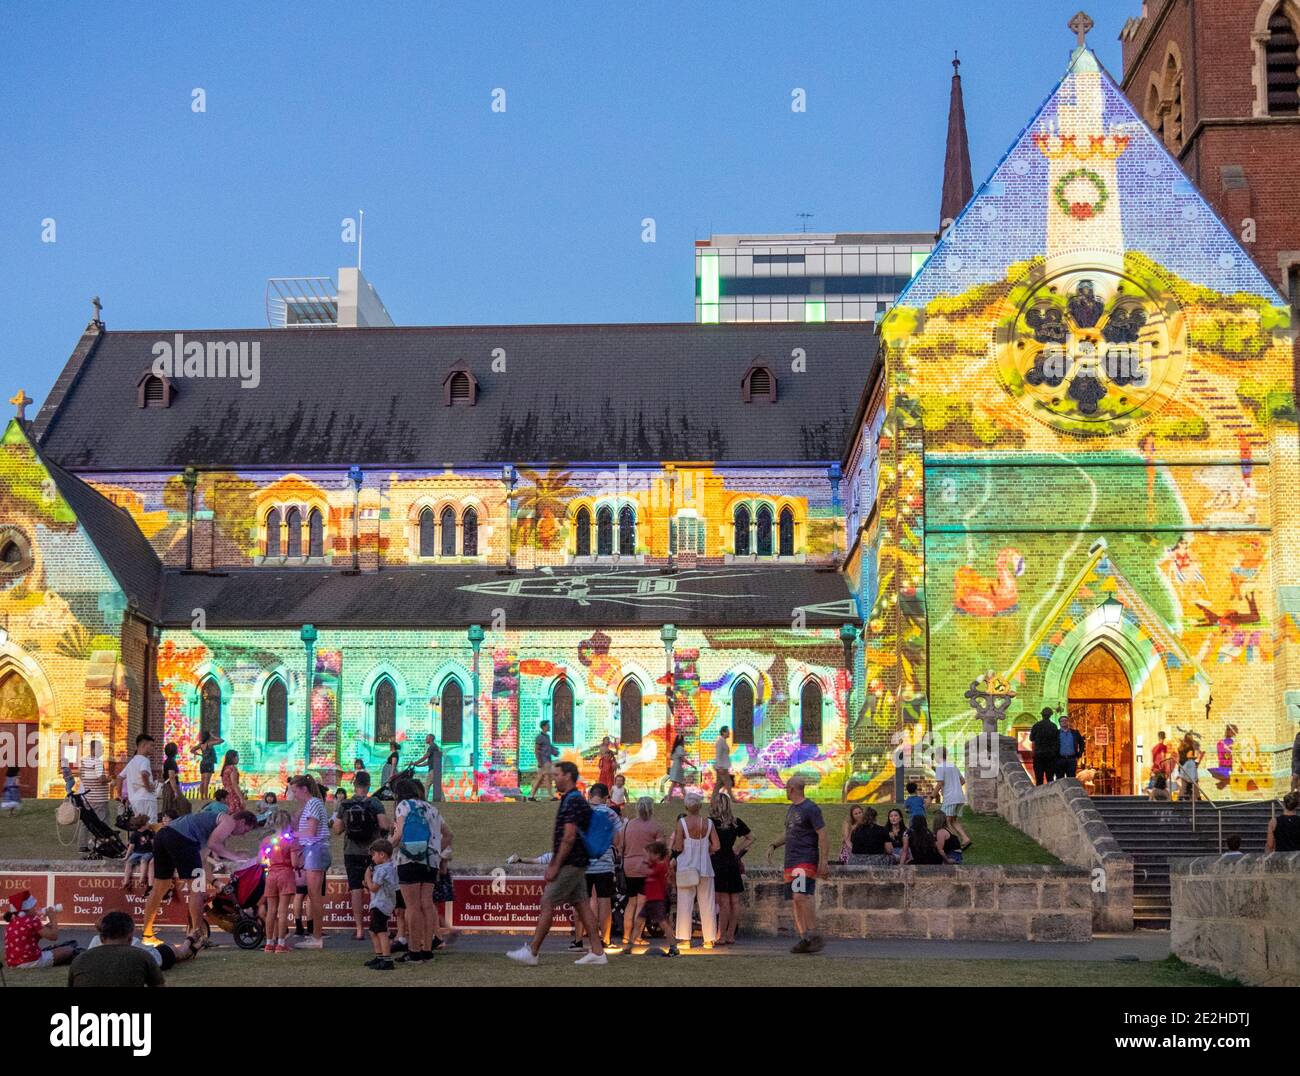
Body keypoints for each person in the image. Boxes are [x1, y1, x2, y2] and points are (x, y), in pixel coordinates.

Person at [507, 760, 608, 966]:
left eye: (557, 775)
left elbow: (569, 836)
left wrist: (555, 864)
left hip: (570, 862)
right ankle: (598, 952)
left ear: (568, 776)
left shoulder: (572, 800)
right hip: (579, 861)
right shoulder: (575, 799)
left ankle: (533, 951)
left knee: (547, 902)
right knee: (582, 905)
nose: (554, 779)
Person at [141, 808, 258, 944]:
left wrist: (214, 882)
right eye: (246, 830)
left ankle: (147, 935)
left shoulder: (205, 829)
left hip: (163, 835)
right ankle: (196, 936)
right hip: (181, 839)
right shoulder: (229, 820)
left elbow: (201, 861)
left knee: (160, 887)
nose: (243, 835)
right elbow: (214, 844)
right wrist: (237, 858)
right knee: (197, 890)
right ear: (242, 821)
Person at [390, 777, 452, 963]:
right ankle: (427, 949)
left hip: (408, 857)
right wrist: (436, 850)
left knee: (413, 907)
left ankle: (414, 950)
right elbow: (449, 834)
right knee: (426, 904)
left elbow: (399, 834)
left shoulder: (403, 805)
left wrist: (384, 848)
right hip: (430, 860)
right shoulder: (431, 808)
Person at [765, 775, 827, 954]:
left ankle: (814, 934)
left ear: (792, 789)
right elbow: (790, 832)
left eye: (786, 788)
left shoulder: (811, 808)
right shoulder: (792, 809)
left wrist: (823, 861)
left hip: (805, 858)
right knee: (795, 899)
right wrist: (774, 844)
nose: (785, 790)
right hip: (791, 860)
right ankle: (804, 938)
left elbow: (823, 834)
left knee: (800, 896)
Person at [332, 770, 391, 941]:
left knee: (355, 889)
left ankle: (359, 929)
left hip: (351, 851)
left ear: (354, 784)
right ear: (368, 785)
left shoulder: (346, 803)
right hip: (372, 853)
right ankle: (377, 925)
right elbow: (384, 825)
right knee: (376, 887)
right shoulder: (375, 803)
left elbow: (337, 829)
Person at [76, 912, 201, 986]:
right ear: (129, 938)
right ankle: (194, 941)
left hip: (158, 954)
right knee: (179, 951)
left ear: (102, 937)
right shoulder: (140, 955)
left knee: (180, 952)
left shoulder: (82, 959)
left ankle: (191, 940)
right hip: (153, 955)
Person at [574, 782, 619, 952]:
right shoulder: (610, 814)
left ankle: (578, 939)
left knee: (581, 902)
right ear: (607, 797)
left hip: (584, 864)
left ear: (589, 794)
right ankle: (605, 939)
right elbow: (618, 840)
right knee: (604, 901)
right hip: (604, 863)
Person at [671, 791, 719, 950]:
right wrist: (707, 848)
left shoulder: (682, 823)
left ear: (686, 806)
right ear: (700, 806)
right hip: (705, 866)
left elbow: (678, 846)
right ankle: (709, 939)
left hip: (687, 867)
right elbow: (717, 846)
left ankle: (685, 939)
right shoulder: (709, 823)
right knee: (708, 903)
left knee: (685, 903)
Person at [289, 775, 331, 949]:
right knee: (313, 895)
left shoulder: (313, 803)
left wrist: (292, 835)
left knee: (314, 896)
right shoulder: (311, 804)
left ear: (304, 789)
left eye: (294, 791)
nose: (294, 795)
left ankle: (317, 937)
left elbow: (311, 832)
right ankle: (315, 935)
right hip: (313, 850)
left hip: (316, 849)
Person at [619, 796, 665, 949]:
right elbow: (661, 849)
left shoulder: (627, 825)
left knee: (630, 902)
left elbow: (620, 846)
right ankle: (637, 936)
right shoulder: (655, 827)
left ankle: (626, 936)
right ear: (651, 809)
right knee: (642, 902)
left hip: (629, 865)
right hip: (645, 867)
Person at [709, 791, 751, 944]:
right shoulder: (735, 821)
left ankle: (721, 934)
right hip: (732, 861)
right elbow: (751, 837)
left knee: (723, 902)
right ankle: (731, 934)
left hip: (718, 862)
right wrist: (737, 849)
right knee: (735, 901)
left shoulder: (710, 822)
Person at [3, 890, 78, 970]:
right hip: (29, 961)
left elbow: (29, 935)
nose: (35, 909)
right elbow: (54, 936)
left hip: (12, 963)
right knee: (68, 950)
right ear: (26, 910)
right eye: (33, 907)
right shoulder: (33, 920)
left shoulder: (13, 921)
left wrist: (45, 927)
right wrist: (53, 918)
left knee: (54, 949)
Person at [260, 809, 299, 953]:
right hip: (286, 875)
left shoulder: (266, 841)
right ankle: (281, 943)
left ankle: (269, 943)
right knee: (283, 912)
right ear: (288, 823)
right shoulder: (291, 841)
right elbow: (295, 863)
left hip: (271, 875)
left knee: (271, 911)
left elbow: (262, 860)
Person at [630, 841, 677, 956]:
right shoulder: (652, 864)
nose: (647, 856)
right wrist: (644, 860)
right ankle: (630, 946)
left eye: (649, 854)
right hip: (649, 900)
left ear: (656, 855)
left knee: (663, 924)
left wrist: (644, 860)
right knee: (638, 921)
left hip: (657, 900)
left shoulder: (661, 865)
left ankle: (674, 947)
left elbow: (644, 871)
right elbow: (636, 870)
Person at [363, 838, 400, 971]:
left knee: (381, 932)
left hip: (381, 904)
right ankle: (380, 956)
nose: (372, 858)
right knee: (373, 931)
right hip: (381, 903)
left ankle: (387, 960)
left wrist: (367, 876)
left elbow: (374, 888)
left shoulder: (382, 869)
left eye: (374, 855)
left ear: (382, 855)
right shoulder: (388, 867)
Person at [933, 746, 972, 848]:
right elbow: (962, 781)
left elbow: (940, 783)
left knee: (944, 821)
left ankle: (954, 843)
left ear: (938, 756)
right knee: (953, 821)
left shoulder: (940, 767)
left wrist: (931, 796)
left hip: (950, 799)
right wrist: (953, 787)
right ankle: (965, 838)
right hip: (960, 797)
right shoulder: (953, 766)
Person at [76, 738, 111, 852]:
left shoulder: (84, 762)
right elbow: (101, 779)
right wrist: (109, 779)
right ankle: (99, 844)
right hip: (99, 798)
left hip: (87, 797)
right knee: (101, 821)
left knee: (86, 821)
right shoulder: (97, 762)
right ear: (93, 749)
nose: (102, 750)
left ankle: (82, 844)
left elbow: (82, 777)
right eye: (100, 748)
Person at [121, 732, 158, 822]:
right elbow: (144, 773)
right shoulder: (145, 760)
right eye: (151, 745)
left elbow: (119, 777)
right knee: (151, 824)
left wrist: (119, 795)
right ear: (144, 745)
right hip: (146, 798)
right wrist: (148, 787)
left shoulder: (131, 762)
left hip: (134, 799)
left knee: (139, 825)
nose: (153, 748)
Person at [122, 814, 155, 893]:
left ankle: (142, 878)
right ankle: (126, 881)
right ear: (142, 825)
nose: (149, 824)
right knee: (129, 862)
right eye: (147, 823)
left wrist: (155, 851)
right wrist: (127, 856)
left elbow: (153, 842)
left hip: (148, 852)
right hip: (137, 852)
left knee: (143, 861)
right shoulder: (135, 834)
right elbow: (131, 847)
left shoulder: (149, 832)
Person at [159, 742, 190, 818]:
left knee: (169, 806)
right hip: (170, 787)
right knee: (182, 805)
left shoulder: (167, 761)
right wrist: (175, 791)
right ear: (174, 751)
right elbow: (171, 777)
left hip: (168, 787)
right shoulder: (171, 762)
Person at [1029, 707, 1059, 785]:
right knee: (1050, 779)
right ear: (1050, 715)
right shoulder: (1054, 726)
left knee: (1039, 779)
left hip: (1039, 755)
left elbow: (1031, 738)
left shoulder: (1036, 726)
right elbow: (1057, 741)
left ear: (1042, 715)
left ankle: (1039, 795)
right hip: (1050, 756)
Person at [530, 721, 559, 800]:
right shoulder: (539, 737)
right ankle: (551, 796)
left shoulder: (547, 737)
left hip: (547, 760)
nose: (549, 727)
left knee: (540, 778)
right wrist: (539, 762)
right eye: (548, 726)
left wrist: (554, 751)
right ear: (543, 727)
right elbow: (536, 750)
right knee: (547, 777)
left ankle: (531, 795)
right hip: (544, 761)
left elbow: (549, 747)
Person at [411, 735, 444, 802]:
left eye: (427, 738)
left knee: (427, 785)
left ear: (431, 738)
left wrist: (415, 763)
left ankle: (424, 799)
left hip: (433, 770)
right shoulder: (434, 746)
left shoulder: (432, 747)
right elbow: (428, 762)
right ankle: (443, 800)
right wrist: (418, 765)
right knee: (436, 786)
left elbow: (425, 757)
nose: (425, 739)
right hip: (434, 770)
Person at [192, 730, 223, 799]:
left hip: (203, 763)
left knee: (202, 780)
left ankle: (202, 796)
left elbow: (192, 750)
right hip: (209, 763)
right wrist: (213, 735)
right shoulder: (209, 744)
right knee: (206, 781)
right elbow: (221, 740)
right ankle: (206, 796)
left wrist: (198, 754)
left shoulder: (201, 744)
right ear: (209, 737)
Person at [1208, 724, 1238, 790]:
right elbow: (1225, 756)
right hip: (1227, 767)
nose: (1235, 734)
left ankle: (1224, 782)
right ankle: (1224, 782)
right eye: (1234, 732)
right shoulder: (1223, 743)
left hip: (1229, 767)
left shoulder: (1230, 743)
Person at [1055, 714, 1085, 780]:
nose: (1064, 722)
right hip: (1060, 760)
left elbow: (1082, 743)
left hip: (1071, 760)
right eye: (1062, 721)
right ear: (1059, 723)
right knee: (1060, 780)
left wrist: (1079, 753)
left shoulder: (1075, 733)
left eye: (1066, 720)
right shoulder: (1056, 733)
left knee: (1071, 779)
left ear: (1068, 722)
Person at [666, 733, 688, 800]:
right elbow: (683, 759)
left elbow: (674, 757)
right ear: (681, 741)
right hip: (677, 768)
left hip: (676, 767)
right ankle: (669, 798)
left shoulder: (676, 748)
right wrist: (692, 765)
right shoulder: (680, 748)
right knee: (676, 784)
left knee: (680, 784)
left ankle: (685, 798)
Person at [713, 726, 733, 792]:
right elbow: (718, 755)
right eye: (727, 731)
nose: (729, 733)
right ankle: (733, 798)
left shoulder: (723, 741)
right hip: (722, 767)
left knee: (719, 784)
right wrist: (720, 767)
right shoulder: (720, 742)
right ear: (723, 732)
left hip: (723, 766)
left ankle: (713, 800)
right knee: (728, 783)